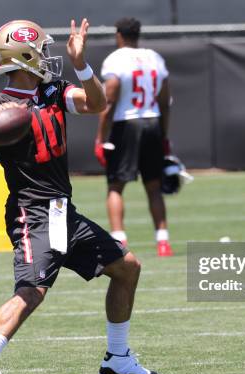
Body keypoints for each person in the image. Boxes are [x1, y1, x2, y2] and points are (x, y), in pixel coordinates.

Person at [0, 18, 157, 374]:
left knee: (127, 268)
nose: (48, 56)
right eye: (42, 50)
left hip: (64, 211)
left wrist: (82, 64)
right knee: (32, 290)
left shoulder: (54, 91)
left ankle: (117, 359)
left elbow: (96, 103)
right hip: (32, 212)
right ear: (25, 56)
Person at [94, 17, 173, 257]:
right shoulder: (155, 57)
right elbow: (165, 102)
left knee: (115, 186)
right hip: (152, 123)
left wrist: (100, 137)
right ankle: (163, 241)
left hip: (126, 124)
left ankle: (119, 241)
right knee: (154, 186)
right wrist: (164, 135)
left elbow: (109, 99)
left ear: (119, 34)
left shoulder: (115, 60)